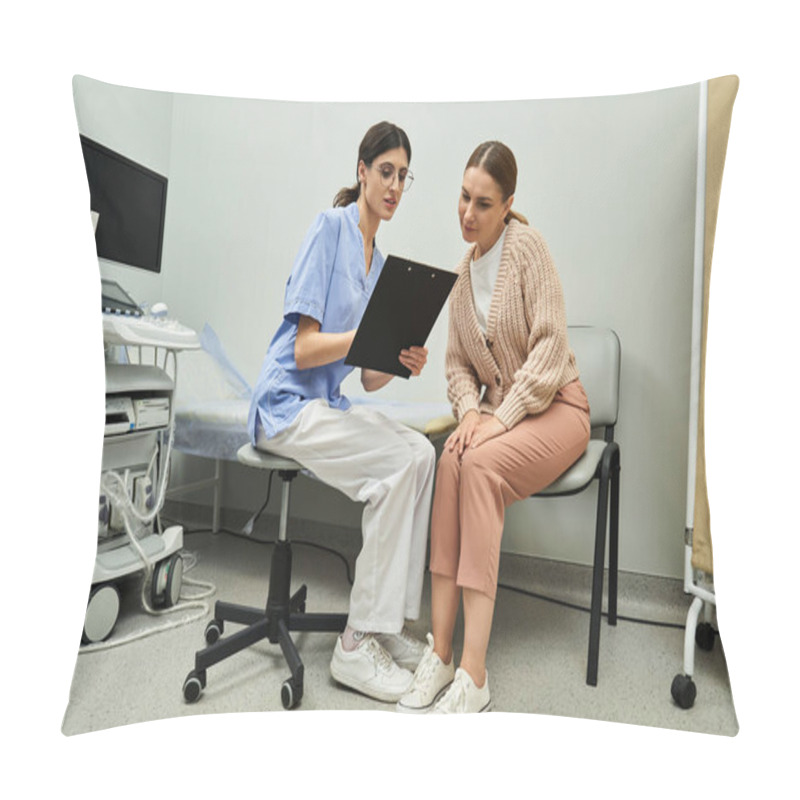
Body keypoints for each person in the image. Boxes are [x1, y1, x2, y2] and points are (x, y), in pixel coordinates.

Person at [397, 141, 591, 713]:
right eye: (463, 197)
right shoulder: (461, 277)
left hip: (559, 407)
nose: (468, 213)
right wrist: (472, 413)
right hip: (503, 417)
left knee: (477, 465)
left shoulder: (528, 249)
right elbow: (457, 365)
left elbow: (551, 349)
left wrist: (497, 419)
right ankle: (440, 654)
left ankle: (475, 676)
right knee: (450, 460)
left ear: (507, 205)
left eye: (483, 203)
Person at [247, 122, 436, 703]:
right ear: (362, 170)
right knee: (391, 469)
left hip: (327, 402)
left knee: (422, 454)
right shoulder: (328, 229)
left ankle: (384, 624)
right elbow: (305, 349)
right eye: (386, 171)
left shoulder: (380, 264)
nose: (395, 185)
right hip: (286, 404)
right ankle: (355, 648)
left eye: (404, 176)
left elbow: (370, 376)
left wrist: (402, 358)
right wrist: (361, 338)